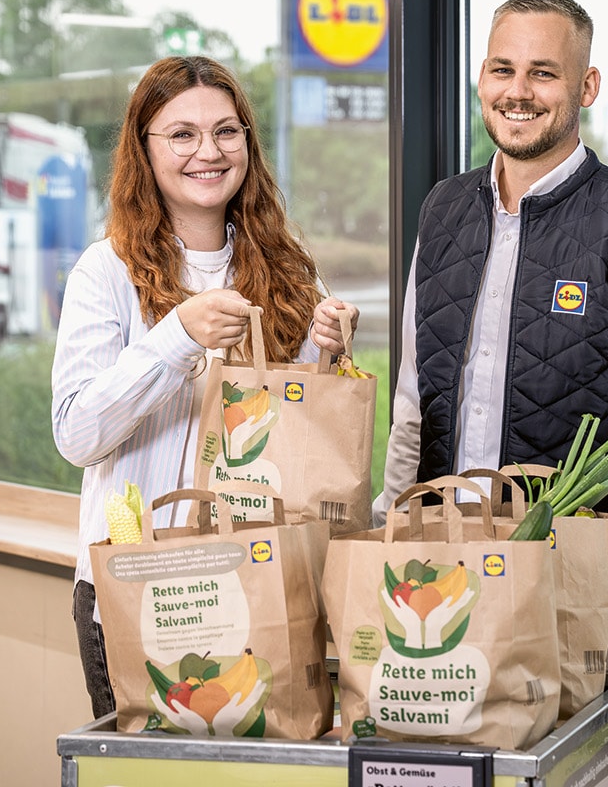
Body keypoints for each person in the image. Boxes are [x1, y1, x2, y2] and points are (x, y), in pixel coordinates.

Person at [375, 0, 608, 744]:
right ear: (481, 81)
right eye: (502, 69)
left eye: (544, 73)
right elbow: (412, 410)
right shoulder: (442, 212)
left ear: (586, 88)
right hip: (438, 579)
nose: (518, 92)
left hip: (570, 588)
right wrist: (385, 538)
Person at [52, 55, 358, 718]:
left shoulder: (289, 272)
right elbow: (78, 434)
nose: (208, 152)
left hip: (259, 582)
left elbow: (298, 446)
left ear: (248, 141)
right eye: (182, 135)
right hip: (138, 586)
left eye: (226, 131)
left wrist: (327, 354)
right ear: (145, 149)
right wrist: (176, 337)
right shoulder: (104, 271)